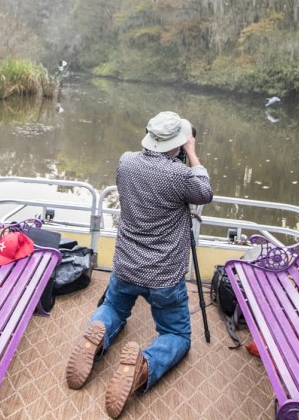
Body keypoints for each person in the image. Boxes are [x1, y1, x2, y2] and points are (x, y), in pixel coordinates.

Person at [65, 111, 214, 418]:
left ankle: (96, 335)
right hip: (164, 276)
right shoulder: (181, 176)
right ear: (177, 142)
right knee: (177, 335)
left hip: (126, 266)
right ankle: (144, 366)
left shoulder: (126, 162)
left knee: (114, 307)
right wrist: (191, 152)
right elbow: (205, 192)